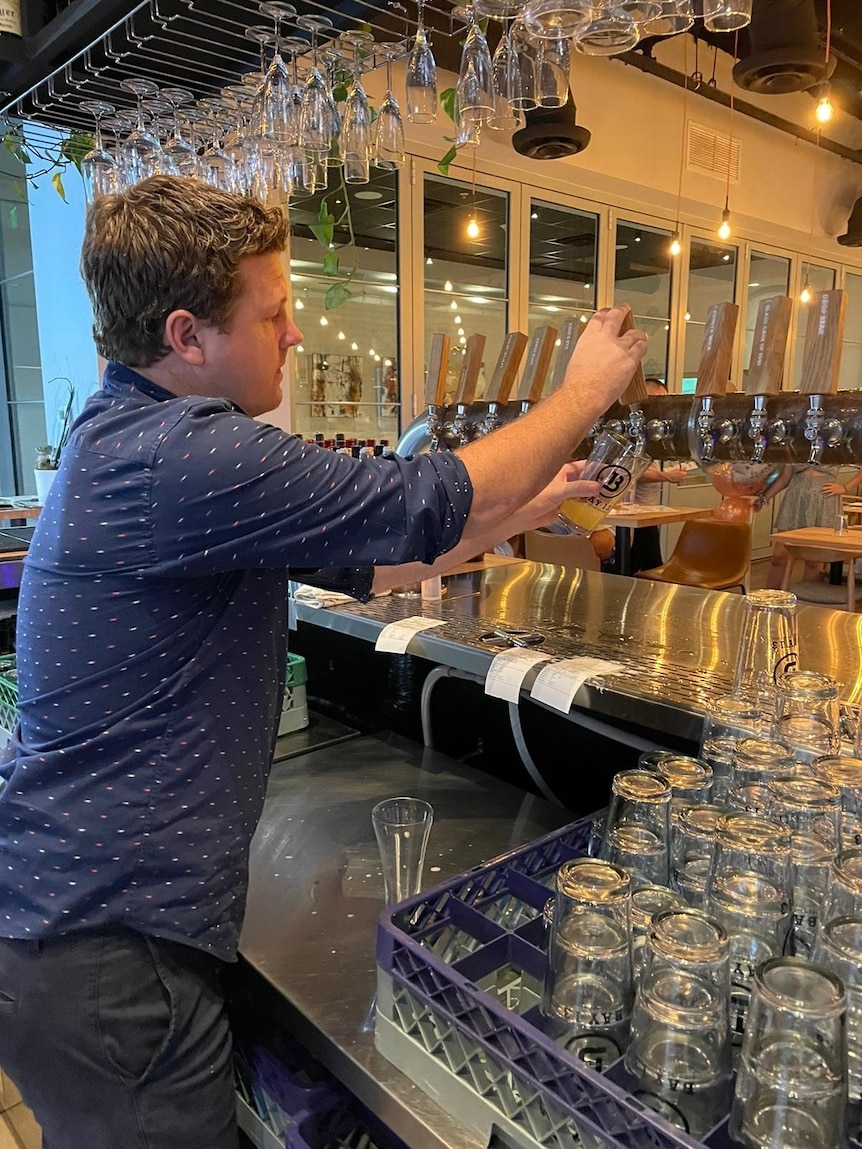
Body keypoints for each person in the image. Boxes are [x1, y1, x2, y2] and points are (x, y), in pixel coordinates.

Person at [0, 176, 647, 1149]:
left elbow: (372, 557)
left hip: (76, 928)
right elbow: (421, 493)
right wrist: (582, 392)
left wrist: (526, 506)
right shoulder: (183, 455)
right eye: (275, 313)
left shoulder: (137, 440)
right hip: (109, 951)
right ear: (186, 336)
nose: (294, 334)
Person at [756, 461, 862, 589]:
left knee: (813, 560)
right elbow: (785, 478)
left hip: (824, 499)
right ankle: (771, 598)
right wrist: (764, 498)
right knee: (779, 557)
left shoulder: (836, 442)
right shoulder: (797, 444)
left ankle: (807, 603)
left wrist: (845, 487)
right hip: (795, 499)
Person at [628, 377, 691, 574]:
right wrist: (665, 476)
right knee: (647, 570)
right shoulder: (633, 430)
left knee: (649, 570)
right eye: (659, 401)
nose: (662, 407)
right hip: (632, 516)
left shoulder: (653, 433)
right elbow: (632, 471)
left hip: (648, 514)